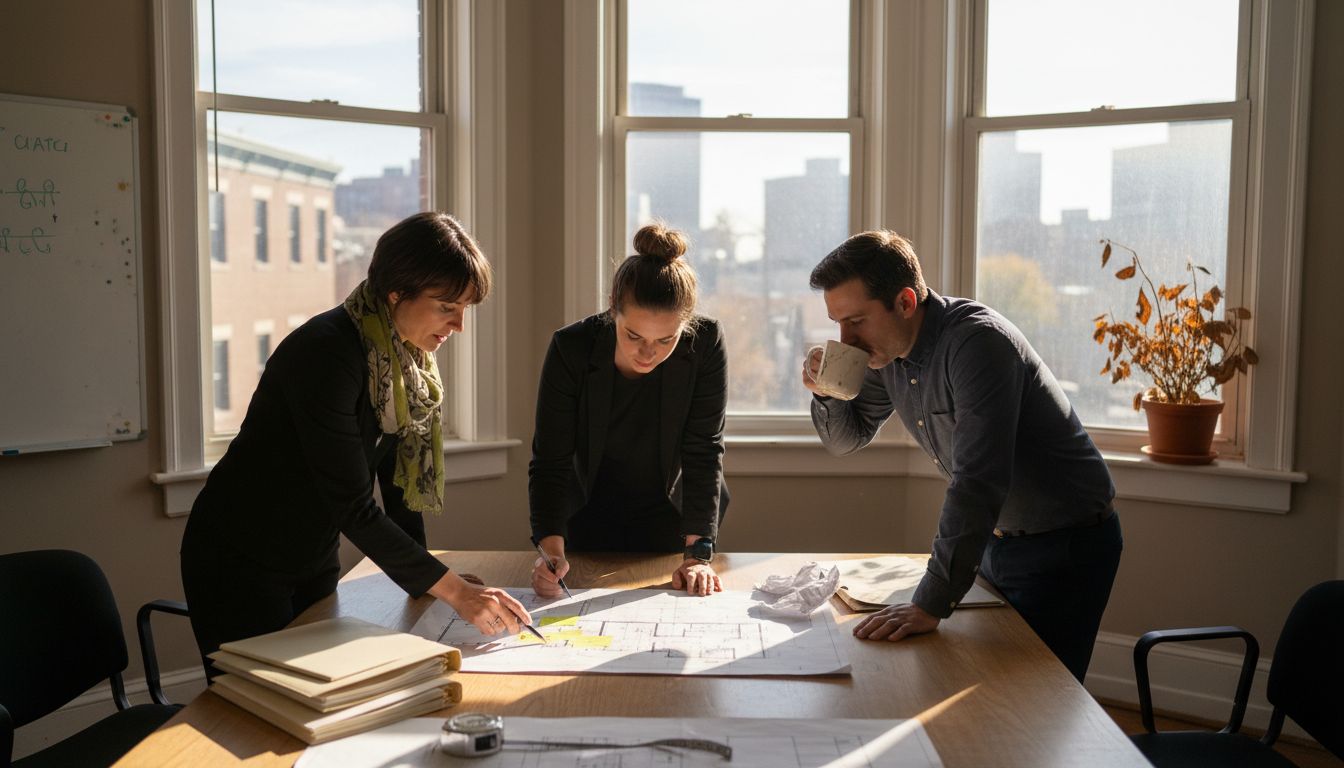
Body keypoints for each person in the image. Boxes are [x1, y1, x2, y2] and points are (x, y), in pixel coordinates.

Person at [181, 212, 531, 677]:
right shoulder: (326, 354)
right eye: (448, 306)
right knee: (258, 708)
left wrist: (429, 581)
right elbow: (353, 503)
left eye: (465, 308)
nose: (459, 325)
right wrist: (455, 592)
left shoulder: (404, 363)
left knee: (315, 692)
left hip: (313, 554)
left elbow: (399, 488)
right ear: (396, 293)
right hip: (241, 558)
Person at [804, 230, 1122, 682]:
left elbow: (977, 479)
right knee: (984, 687)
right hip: (995, 539)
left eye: (855, 321)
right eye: (837, 323)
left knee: (1045, 701)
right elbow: (845, 440)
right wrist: (829, 390)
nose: (845, 339)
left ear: (906, 302)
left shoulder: (978, 344)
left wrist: (928, 602)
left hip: (1066, 546)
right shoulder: (886, 353)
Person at [529, 223, 729, 598]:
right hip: (587, 515)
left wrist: (698, 554)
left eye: (666, 340)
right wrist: (550, 552)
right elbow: (550, 459)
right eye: (633, 336)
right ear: (613, 311)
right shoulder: (571, 348)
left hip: (676, 519)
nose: (648, 353)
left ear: (685, 327)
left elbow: (704, 449)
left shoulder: (705, 345)